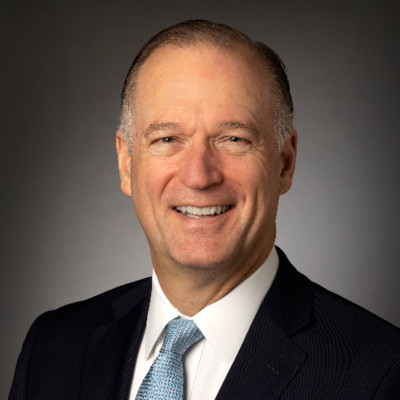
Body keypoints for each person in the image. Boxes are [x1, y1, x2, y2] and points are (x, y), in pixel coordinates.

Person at [9, 20, 400, 400]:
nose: (199, 176)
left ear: (285, 162)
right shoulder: (52, 347)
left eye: (233, 138)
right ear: (126, 163)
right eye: (167, 139)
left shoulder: (381, 373)